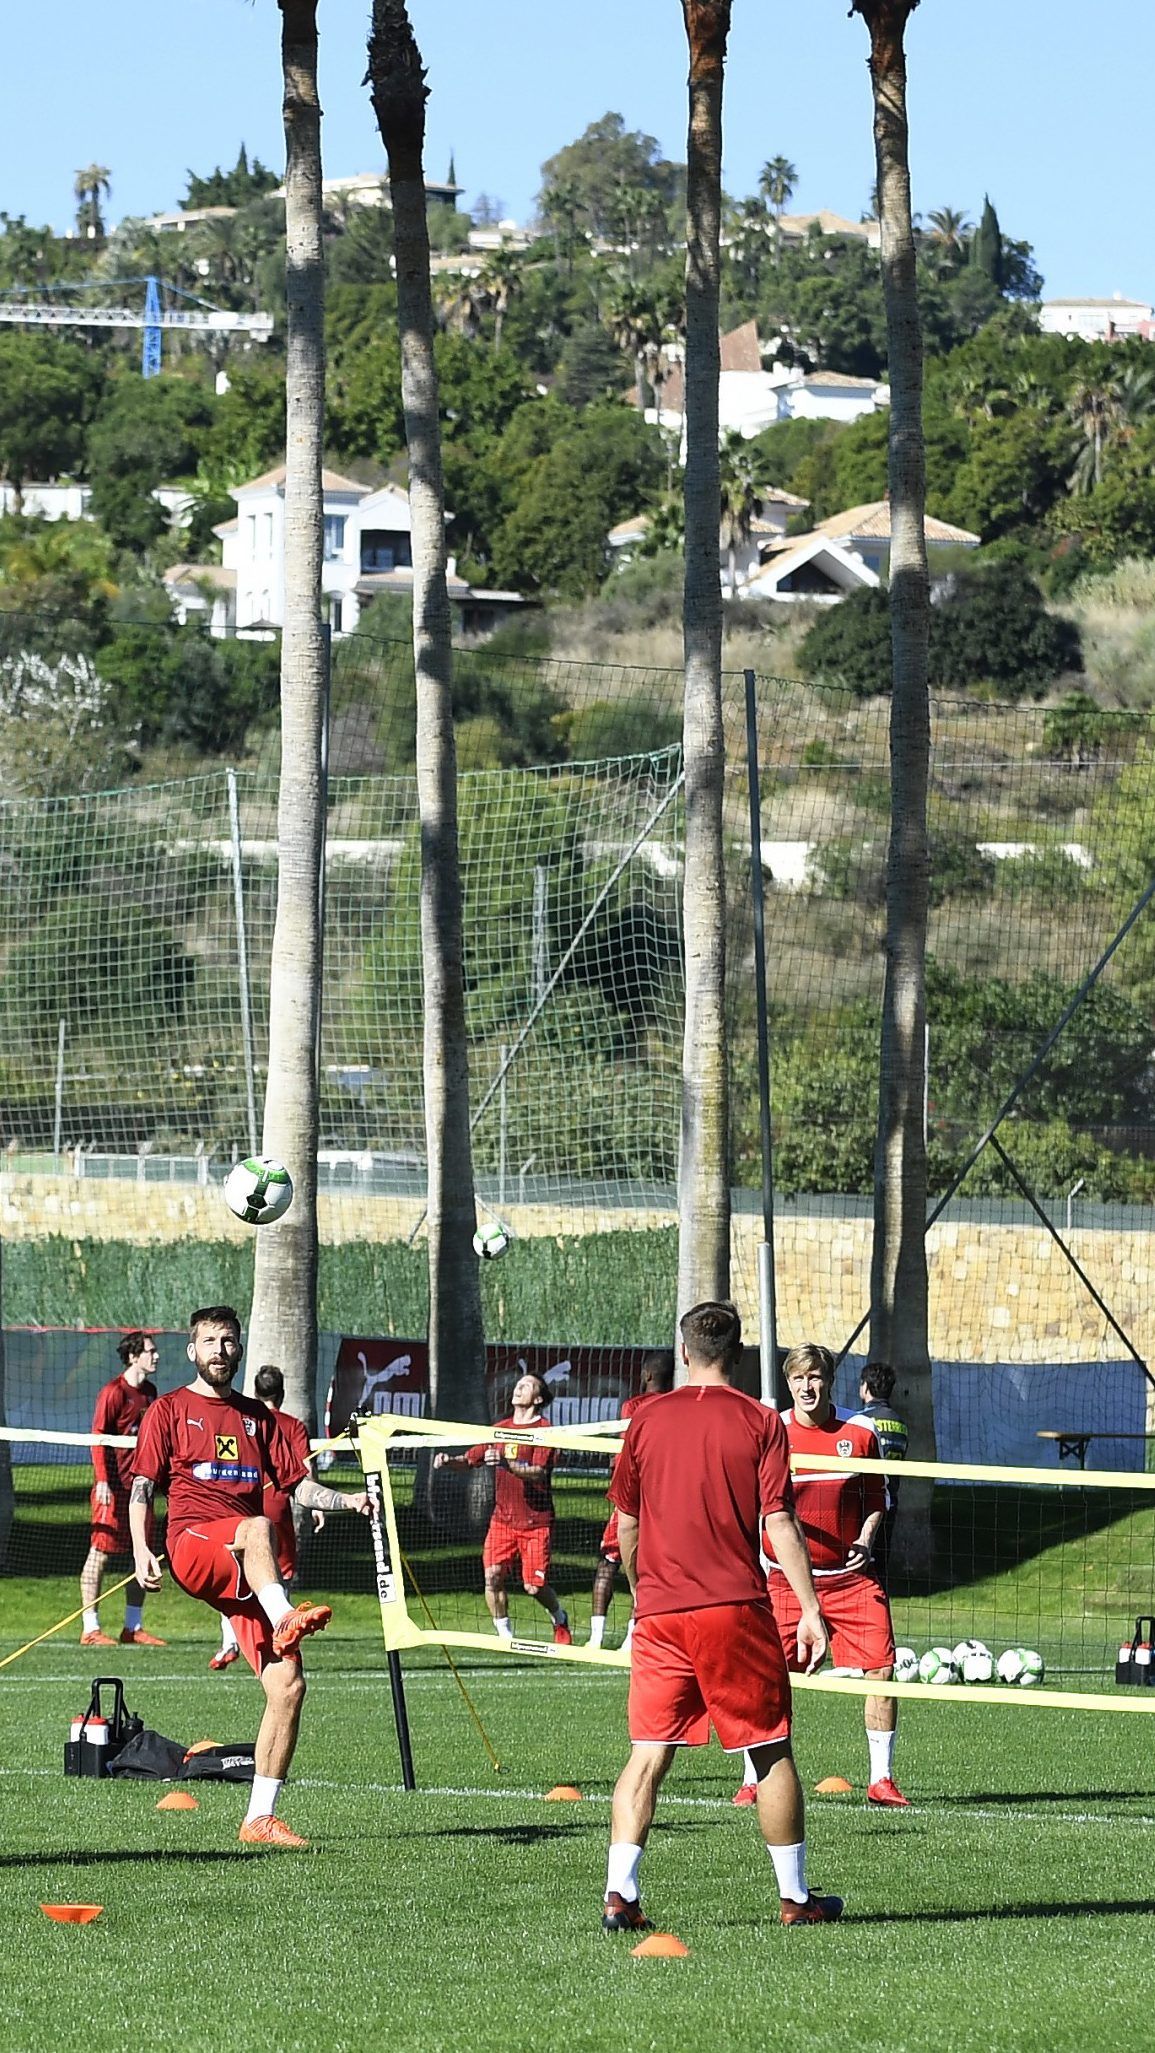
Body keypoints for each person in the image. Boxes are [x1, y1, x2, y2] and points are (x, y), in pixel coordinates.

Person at [603, 1300, 842, 1933]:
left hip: (660, 1615)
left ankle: (620, 1894)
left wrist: (640, 1591)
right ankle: (795, 1899)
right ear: (738, 1355)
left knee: (647, 1753)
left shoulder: (645, 1420)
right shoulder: (763, 1422)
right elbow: (780, 1521)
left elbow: (626, 1522)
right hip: (733, 1608)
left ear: (685, 1353)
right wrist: (811, 1608)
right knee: (770, 1751)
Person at [130, 1305, 371, 1849]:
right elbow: (143, 1487)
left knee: (289, 1686)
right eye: (210, 1341)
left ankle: (259, 1818)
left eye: (229, 1341)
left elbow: (298, 1485)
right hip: (193, 1543)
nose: (221, 1349)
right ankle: (285, 1616)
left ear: (240, 1350)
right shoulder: (168, 1409)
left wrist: (349, 1498)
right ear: (192, 1351)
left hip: (245, 1563)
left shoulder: (259, 1420)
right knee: (259, 1526)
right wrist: (143, 1548)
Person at [733, 1340, 907, 1813]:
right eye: (798, 1379)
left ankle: (881, 1779)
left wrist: (866, 1540)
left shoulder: (861, 1430)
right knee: (765, 1679)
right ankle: (752, 1780)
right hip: (785, 1584)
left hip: (851, 1580)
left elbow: (877, 1500)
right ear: (787, 1384)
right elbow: (757, 1510)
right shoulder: (772, 1432)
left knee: (883, 1671)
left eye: (815, 1378)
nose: (807, 1387)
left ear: (829, 1381)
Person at [434, 1369, 572, 1645]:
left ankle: (559, 1616)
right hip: (502, 1522)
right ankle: (505, 1638)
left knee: (534, 1586)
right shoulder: (501, 1428)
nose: (518, 1388)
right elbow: (471, 1459)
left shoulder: (544, 1431)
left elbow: (539, 1472)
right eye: (518, 1384)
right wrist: (449, 1461)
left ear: (538, 1398)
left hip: (536, 1522)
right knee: (492, 1576)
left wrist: (508, 1465)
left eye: (527, 1385)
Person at [211, 1362, 317, 1673]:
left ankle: (230, 1642)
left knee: (235, 1577)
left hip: (244, 1509)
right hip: (278, 1511)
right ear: (282, 1394)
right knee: (279, 1577)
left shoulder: (246, 1419)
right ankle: (280, 1637)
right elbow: (303, 1471)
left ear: (255, 1391)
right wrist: (315, 1506)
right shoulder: (293, 1426)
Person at [80, 1330, 164, 1648]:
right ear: (133, 1356)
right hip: (112, 1490)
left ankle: (133, 1627)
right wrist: (103, 1480)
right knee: (99, 1554)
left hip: (140, 1490)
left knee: (141, 1556)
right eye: (150, 1351)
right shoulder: (113, 1392)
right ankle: (91, 1628)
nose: (156, 1356)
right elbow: (98, 1437)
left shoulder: (151, 1393)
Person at [589, 1351, 675, 1649]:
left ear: (647, 1375)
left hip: (632, 1496)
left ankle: (596, 1638)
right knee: (647, 1567)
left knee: (611, 1562)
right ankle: (632, 1635)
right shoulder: (677, 1404)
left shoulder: (633, 1405)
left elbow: (625, 1448)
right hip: (663, 1498)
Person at [854, 1360, 908, 1579]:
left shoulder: (860, 1422)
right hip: (890, 1503)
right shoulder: (900, 1423)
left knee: (858, 1568)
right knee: (880, 1570)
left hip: (863, 1507)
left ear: (866, 1387)